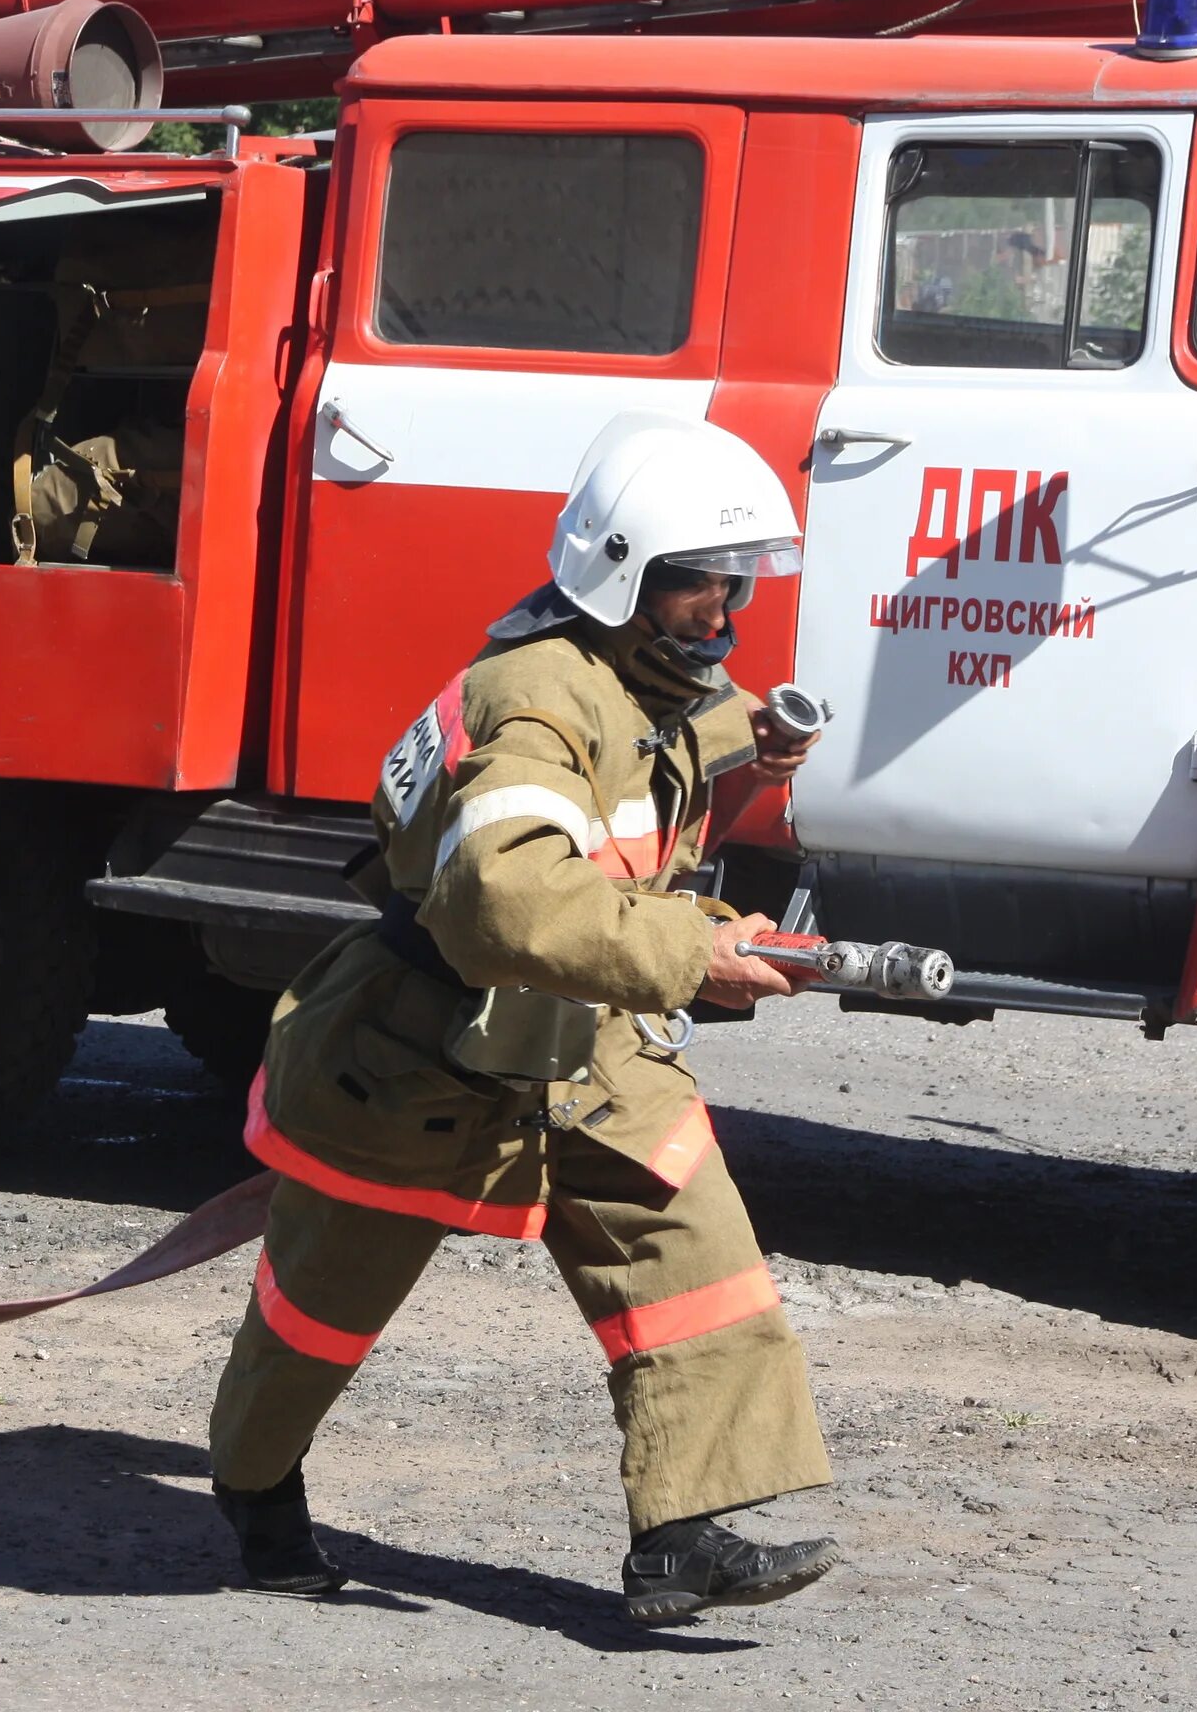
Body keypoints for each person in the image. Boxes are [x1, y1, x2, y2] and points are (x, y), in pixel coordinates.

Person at [207, 414, 839, 1624]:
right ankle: (257, 1488)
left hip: (584, 1035)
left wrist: (744, 747)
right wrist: (689, 949)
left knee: (688, 1241)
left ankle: (683, 1534)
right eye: (705, 586)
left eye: (734, 582)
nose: (728, 611)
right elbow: (504, 890)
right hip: (420, 1048)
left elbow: (646, 752)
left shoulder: (619, 678)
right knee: (322, 1301)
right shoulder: (533, 700)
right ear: (624, 576)